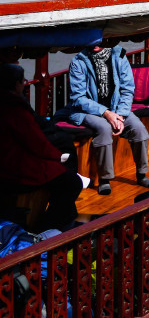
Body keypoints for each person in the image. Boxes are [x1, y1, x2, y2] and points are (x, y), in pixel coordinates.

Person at [0, 63, 82, 230]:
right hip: (14, 168)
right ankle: (47, 227)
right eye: (23, 81)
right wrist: (57, 156)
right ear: (16, 84)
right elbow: (35, 142)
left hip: (11, 160)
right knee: (71, 182)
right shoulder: (14, 108)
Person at [68, 44, 149, 195]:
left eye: (100, 41)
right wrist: (106, 113)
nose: (95, 44)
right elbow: (79, 98)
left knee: (138, 128)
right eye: (92, 41)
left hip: (117, 109)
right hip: (88, 111)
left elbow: (128, 89)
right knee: (104, 128)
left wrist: (120, 115)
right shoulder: (78, 61)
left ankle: (142, 174)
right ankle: (104, 179)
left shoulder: (119, 56)